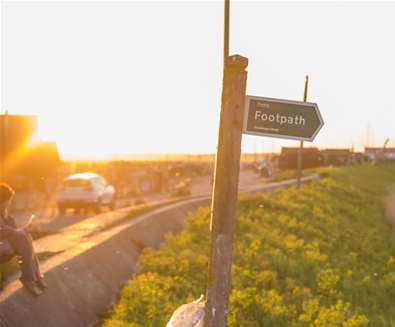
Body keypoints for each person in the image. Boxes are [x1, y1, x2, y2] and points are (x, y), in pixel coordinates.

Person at [0, 183, 46, 297]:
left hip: (7, 245)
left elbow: (13, 232)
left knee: (26, 237)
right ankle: (29, 278)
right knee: (23, 238)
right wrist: (17, 232)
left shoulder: (7, 216)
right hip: (3, 247)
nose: (9, 203)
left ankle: (35, 275)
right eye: (7, 201)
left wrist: (24, 230)